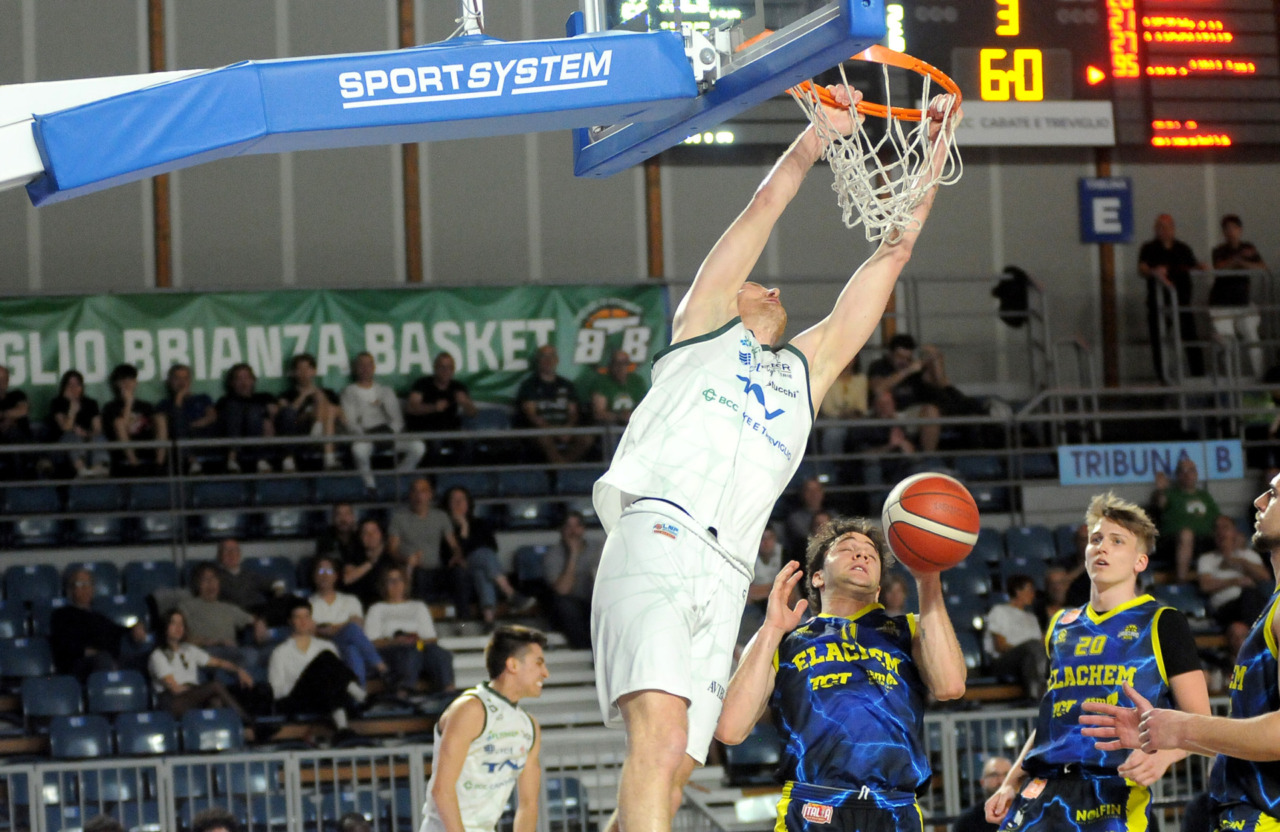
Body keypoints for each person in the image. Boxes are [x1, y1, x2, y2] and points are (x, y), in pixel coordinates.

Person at [589, 86, 960, 832]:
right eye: (760, 285)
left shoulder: (804, 373)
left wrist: (932, 157)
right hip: (660, 533)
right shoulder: (701, 329)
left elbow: (892, 255)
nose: (775, 287)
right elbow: (762, 209)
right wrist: (816, 137)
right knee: (658, 743)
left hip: (729, 573)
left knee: (671, 775)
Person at [716, 517, 967, 832]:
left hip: (894, 807)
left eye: (870, 554)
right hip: (814, 805)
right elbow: (730, 728)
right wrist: (771, 629)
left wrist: (928, 579)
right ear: (818, 576)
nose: (861, 554)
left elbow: (950, 685)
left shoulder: (909, 629)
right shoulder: (786, 638)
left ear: (879, 586)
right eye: (847, 548)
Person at [984, 493, 1211, 832]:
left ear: (1140, 561)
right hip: (1043, 790)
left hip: (1111, 791)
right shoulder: (1061, 625)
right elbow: (1053, 718)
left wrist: (1166, 755)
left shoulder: (1162, 621)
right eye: (1096, 539)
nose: (1102, 547)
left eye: (1117, 541)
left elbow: (1202, 719)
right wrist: (1010, 781)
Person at [1080, 471, 1280, 832]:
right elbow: (1257, 741)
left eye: (1275, 494)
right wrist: (1168, 733)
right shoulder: (1273, 606)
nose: (1258, 501)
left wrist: (1184, 726)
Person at [419, 625, 547, 832]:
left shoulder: (529, 725)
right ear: (513, 664)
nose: (545, 673)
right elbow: (441, 790)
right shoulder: (471, 709)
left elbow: (528, 805)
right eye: (539, 663)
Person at [268, 599, 366, 734]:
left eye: (306, 617)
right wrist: (307, 679)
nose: (303, 621)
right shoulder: (280, 652)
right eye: (298, 617)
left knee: (328, 673)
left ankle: (343, 728)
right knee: (325, 658)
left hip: (323, 697)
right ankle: (360, 695)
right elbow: (275, 691)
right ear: (290, 621)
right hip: (297, 699)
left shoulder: (326, 645)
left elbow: (337, 676)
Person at [443, 485, 529, 627]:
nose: (458, 503)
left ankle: (489, 620)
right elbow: (451, 554)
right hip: (459, 571)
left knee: (482, 571)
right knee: (483, 555)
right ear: (448, 504)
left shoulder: (480, 523)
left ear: (468, 503)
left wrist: (470, 547)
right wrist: (464, 528)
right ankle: (510, 593)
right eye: (454, 500)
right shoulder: (445, 526)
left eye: (462, 499)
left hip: (480, 566)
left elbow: (492, 546)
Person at [364, 567, 456, 698]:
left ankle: (448, 692)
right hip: (391, 647)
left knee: (439, 653)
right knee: (410, 652)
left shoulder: (418, 606)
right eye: (391, 581)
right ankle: (403, 692)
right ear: (384, 585)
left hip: (419, 644)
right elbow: (372, 642)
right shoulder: (377, 609)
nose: (396, 584)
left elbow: (431, 638)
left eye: (399, 580)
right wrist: (395, 641)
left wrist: (415, 639)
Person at [341, 351, 426, 490]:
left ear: (374, 367)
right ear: (356, 368)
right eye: (361, 365)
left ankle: (397, 477)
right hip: (366, 437)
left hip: (388, 434)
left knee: (418, 446)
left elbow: (397, 420)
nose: (365, 369)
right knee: (358, 450)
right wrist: (368, 435)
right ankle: (370, 485)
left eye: (369, 365)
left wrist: (388, 433)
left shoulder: (386, 391)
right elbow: (350, 423)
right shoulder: (349, 391)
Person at [148, 608, 253, 719]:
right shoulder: (158, 655)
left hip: (192, 695)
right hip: (172, 701)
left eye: (181, 624)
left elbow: (218, 662)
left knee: (215, 701)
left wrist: (239, 670)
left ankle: (222, 728)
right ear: (165, 626)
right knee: (215, 686)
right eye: (174, 623)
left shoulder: (189, 649)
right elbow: (175, 688)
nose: (178, 628)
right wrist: (200, 693)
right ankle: (245, 720)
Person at [1138, 213, 1207, 382]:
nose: (1164, 230)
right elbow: (1142, 269)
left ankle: (1199, 376)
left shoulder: (1183, 248)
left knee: (1191, 339)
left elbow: (1193, 265)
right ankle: (1163, 378)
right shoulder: (1149, 248)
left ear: (1173, 229)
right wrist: (1154, 271)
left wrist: (1201, 267)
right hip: (1158, 304)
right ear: (1155, 229)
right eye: (1160, 227)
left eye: (1167, 227)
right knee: (1159, 342)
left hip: (1182, 302)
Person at [51, 568, 149, 681]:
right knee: (103, 659)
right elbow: (63, 645)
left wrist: (136, 627)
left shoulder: (98, 617)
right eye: (80, 584)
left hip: (109, 661)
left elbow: (118, 630)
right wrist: (89, 652)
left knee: (149, 658)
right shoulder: (61, 615)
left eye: (88, 584)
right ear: (70, 589)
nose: (85, 588)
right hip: (81, 665)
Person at [309, 554, 388, 688]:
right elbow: (314, 631)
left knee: (351, 649)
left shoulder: (351, 600)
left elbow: (358, 626)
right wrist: (344, 626)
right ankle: (382, 668)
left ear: (336, 576)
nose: (325, 575)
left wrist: (333, 628)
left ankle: (358, 695)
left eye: (329, 571)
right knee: (351, 630)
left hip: (348, 646)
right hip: (325, 648)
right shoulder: (309, 603)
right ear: (314, 576)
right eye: (321, 571)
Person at [389, 478, 465, 609]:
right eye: (415, 491)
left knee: (459, 573)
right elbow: (392, 549)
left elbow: (454, 545)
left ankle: (464, 618)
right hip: (412, 570)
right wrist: (407, 559)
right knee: (419, 575)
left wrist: (457, 555)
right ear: (410, 495)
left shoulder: (440, 516)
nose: (419, 496)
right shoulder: (399, 518)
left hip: (436, 570)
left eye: (423, 491)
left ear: (430, 494)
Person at [179, 563, 270, 670]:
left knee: (274, 652)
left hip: (232, 652)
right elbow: (180, 638)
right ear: (197, 584)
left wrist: (259, 622)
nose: (211, 584)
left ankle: (235, 673)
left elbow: (252, 619)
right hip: (206, 651)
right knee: (250, 655)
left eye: (214, 579)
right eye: (205, 580)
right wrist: (215, 641)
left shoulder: (228, 608)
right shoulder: (187, 607)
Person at [516, 344, 594, 464]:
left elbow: (573, 413)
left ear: (556, 360)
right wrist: (554, 430)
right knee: (544, 438)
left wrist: (568, 428)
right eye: (544, 356)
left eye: (551, 356)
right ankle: (561, 467)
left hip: (565, 430)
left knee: (587, 438)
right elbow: (532, 415)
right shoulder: (529, 385)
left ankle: (563, 465)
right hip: (541, 432)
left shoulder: (566, 385)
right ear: (538, 360)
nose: (548, 360)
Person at [1209, 214, 1266, 378]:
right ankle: (1231, 381)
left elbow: (1261, 267)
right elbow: (1220, 268)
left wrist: (1240, 263)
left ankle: (1260, 377)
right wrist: (1239, 260)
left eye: (1234, 228)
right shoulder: (1219, 250)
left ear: (1240, 230)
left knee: (1252, 337)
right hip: (1221, 303)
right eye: (1227, 229)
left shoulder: (1249, 247)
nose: (1231, 232)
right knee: (1227, 342)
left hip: (1242, 301)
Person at [866, 333, 943, 453]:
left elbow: (940, 385)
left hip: (909, 413)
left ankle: (928, 457)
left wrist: (935, 359)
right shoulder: (879, 366)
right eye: (900, 357)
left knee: (931, 411)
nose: (904, 361)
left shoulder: (915, 368)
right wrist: (908, 371)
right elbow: (878, 389)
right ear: (890, 354)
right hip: (885, 413)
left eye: (908, 358)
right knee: (883, 399)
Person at [1151, 457, 1220, 582]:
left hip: (1205, 540)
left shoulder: (1204, 496)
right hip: (1174, 541)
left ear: (1196, 474)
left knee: (1230, 533)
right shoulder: (1170, 494)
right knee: (1186, 534)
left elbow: (1218, 518)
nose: (1187, 475)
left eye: (1191, 471)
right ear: (1177, 475)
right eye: (1183, 471)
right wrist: (1160, 489)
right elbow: (1160, 503)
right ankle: (1182, 581)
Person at [540, 511, 601, 650]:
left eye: (577, 526)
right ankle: (585, 649)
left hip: (595, 600)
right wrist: (573, 554)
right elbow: (563, 590)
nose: (573, 531)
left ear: (583, 528)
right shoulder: (553, 554)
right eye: (568, 526)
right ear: (561, 530)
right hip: (570, 605)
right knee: (565, 605)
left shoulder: (598, 548)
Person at [1196, 514, 1272, 627]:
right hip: (1224, 608)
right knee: (1250, 595)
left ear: (1234, 532)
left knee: (1253, 596)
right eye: (1217, 528)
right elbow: (1205, 585)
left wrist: (1238, 561)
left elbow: (1265, 576)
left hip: (1250, 604)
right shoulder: (1207, 559)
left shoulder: (1248, 555)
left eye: (1225, 527)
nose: (1221, 532)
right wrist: (1236, 581)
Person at [405, 352, 477, 463]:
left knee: (467, 442)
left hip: (450, 429)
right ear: (435, 368)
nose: (446, 371)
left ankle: (461, 472)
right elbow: (411, 407)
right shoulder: (422, 384)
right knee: (435, 443)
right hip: (426, 429)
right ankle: (434, 473)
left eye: (449, 367)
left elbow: (473, 413)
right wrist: (433, 407)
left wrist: (465, 403)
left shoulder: (458, 387)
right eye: (442, 367)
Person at [276, 352, 343, 472]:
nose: (304, 373)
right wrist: (304, 395)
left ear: (314, 371)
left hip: (328, 432)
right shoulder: (287, 395)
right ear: (294, 372)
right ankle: (327, 454)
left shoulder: (328, 393)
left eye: (307, 369)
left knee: (326, 404)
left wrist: (318, 396)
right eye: (300, 369)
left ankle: (318, 428)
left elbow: (340, 415)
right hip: (301, 432)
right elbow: (287, 416)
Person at [983, 574, 1046, 700]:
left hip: (1029, 661)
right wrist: (1025, 648)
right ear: (1018, 591)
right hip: (1004, 661)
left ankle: (1035, 694)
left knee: (1032, 657)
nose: (1032, 594)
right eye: (1029, 590)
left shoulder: (1031, 618)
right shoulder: (1000, 611)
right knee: (1032, 647)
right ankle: (1042, 685)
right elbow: (1000, 646)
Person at [102, 362, 168, 474]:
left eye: (130, 380)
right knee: (119, 422)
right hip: (125, 454)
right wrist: (128, 403)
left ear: (136, 382)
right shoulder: (110, 407)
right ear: (116, 384)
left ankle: (159, 464)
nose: (127, 383)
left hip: (147, 447)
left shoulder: (146, 406)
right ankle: (135, 466)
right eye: (123, 380)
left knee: (160, 418)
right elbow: (125, 428)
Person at [216, 362, 278, 474]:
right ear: (232, 383)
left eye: (246, 378)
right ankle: (232, 458)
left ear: (253, 380)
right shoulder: (225, 401)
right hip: (238, 440)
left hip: (263, 439)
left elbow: (277, 413)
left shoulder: (265, 397)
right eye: (239, 379)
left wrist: (268, 418)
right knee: (239, 408)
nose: (243, 382)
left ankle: (261, 459)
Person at [156, 363, 217, 474]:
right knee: (178, 423)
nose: (181, 382)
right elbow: (172, 423)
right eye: (177, 378)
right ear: (170, 381)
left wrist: (190, 426)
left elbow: (211, 417)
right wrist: (179, 397)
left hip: (202, 436)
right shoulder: (164, 404)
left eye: (185, 378)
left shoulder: (203, 398)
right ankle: (191, 461)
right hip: (178, 443)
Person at [47, 369, 110, 478]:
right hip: (63, 445)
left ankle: (99, 469)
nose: (74, 388)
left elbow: (98, 429)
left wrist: (86, 434)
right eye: (70, 385)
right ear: (64, 387)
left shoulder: (90, 403)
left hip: (87, 441)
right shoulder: (57, 403)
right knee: (72, 436)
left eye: (77, 384)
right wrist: (72, 409)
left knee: (99, 437)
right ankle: (81, 469)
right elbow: (66, 428)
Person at [817, 355, 868, 457]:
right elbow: (827, 409)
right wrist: (843, 414)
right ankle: (833, 463)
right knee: (834, 434)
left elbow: (862, 407)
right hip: (833, 421)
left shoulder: (861, 379)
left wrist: (853, 414)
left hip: (856, 419)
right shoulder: (827, 379)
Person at [343, 518, 396, 610]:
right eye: (365, 532)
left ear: (381, 534)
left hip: (384, 605)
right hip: (358, 606)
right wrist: (371, 562)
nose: (370, 536)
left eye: (374, 531)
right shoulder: (354, 556)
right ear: (360, 537)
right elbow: (347, 579)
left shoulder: (390, 558)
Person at [214, 538, 278, 615]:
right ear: (219, 555)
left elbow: (275, 584)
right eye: (226, 550)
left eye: (235, 550)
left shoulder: (251, 574)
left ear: (239, 554)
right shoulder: (214, 577)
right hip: (231, 616)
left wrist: (279, 594)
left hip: (256, 613)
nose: (231, 554)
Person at [591, 349, 649, 431]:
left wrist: (632, 416)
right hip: (610, 427)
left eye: (624, 363)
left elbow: (645, 407)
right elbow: (599, 413)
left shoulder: (636, 381)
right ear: (611, 365)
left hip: (634, 424)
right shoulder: (602, 382)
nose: (620, 367)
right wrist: (619, 417)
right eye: (617, 363)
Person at [954, 757, 1013, 832]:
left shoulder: (1026, 814)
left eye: (1007, 775)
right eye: (994, 775)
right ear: (982, 782)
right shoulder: (967, 821)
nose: (1001, 780)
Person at [785, 478, 827, 561]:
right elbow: (806, 539)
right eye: (809, 490)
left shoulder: (833, 515)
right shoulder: (795, 518)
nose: (813, 494)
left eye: (816, 490)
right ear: (802, 494)